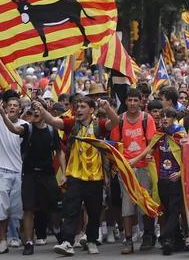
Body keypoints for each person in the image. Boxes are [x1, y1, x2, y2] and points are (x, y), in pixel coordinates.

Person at [36, 91, 120, 256]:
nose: (79, 109)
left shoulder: (99, 125)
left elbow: (115, 122)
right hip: (74, 176)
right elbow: (52, 120)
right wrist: (41, 108)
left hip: (95, 177)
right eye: (77, 106)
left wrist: (107, 108)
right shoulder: (70, 123)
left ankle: (91, 240)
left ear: (91, 110)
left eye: (83, 106)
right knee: (71, 210)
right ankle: (68, 242)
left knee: (94, 212)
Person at [0, 99, 64, 256]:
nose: (35, 112)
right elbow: (13, 128)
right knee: (28, 209)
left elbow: (59, 152)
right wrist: (1, 113)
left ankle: (56, 228)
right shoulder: (27, 129)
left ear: (45, 112)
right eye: (33, 109)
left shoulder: (52, 131)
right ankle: (28, 242)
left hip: (48, 175)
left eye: (39, 109)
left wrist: (65, 173)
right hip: (29, 175)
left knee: (54, 208)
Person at [110, 88, 157, 254]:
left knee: (145, 202)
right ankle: (128, 241)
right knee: (127, 206)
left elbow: (151, 145)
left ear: (140, 102)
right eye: (129, 100)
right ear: (125, 102)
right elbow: (115, 145)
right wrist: (120, 164)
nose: (132, 104)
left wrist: (138, 159)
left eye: (135, 100)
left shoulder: (147, 118)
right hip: (126, 170)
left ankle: (148, 236)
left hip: (143, 167)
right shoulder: (120, 120)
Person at [0, 86, 27, 254]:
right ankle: (3, 241)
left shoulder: (25, 125)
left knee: (17, 208)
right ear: (5, 106)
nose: (12, 107)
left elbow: (14, 129)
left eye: (16, 105)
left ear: (20, 109)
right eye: (10, 104)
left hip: (18, 171)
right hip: (1, 171)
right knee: (1, 208)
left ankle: (18, 236)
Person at [147, 107, 186, 256]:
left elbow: (188, 155)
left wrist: (181, 172)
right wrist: (149, 155)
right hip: (162, 178)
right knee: (167, 210)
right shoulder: (159, 134)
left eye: (168, 116)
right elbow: (150, 149)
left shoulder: (180, 134)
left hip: (175, 179)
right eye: (162, 116)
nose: (164, 118)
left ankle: (165, 238)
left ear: (174, 118)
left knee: (174, 210)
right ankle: (178, 240)